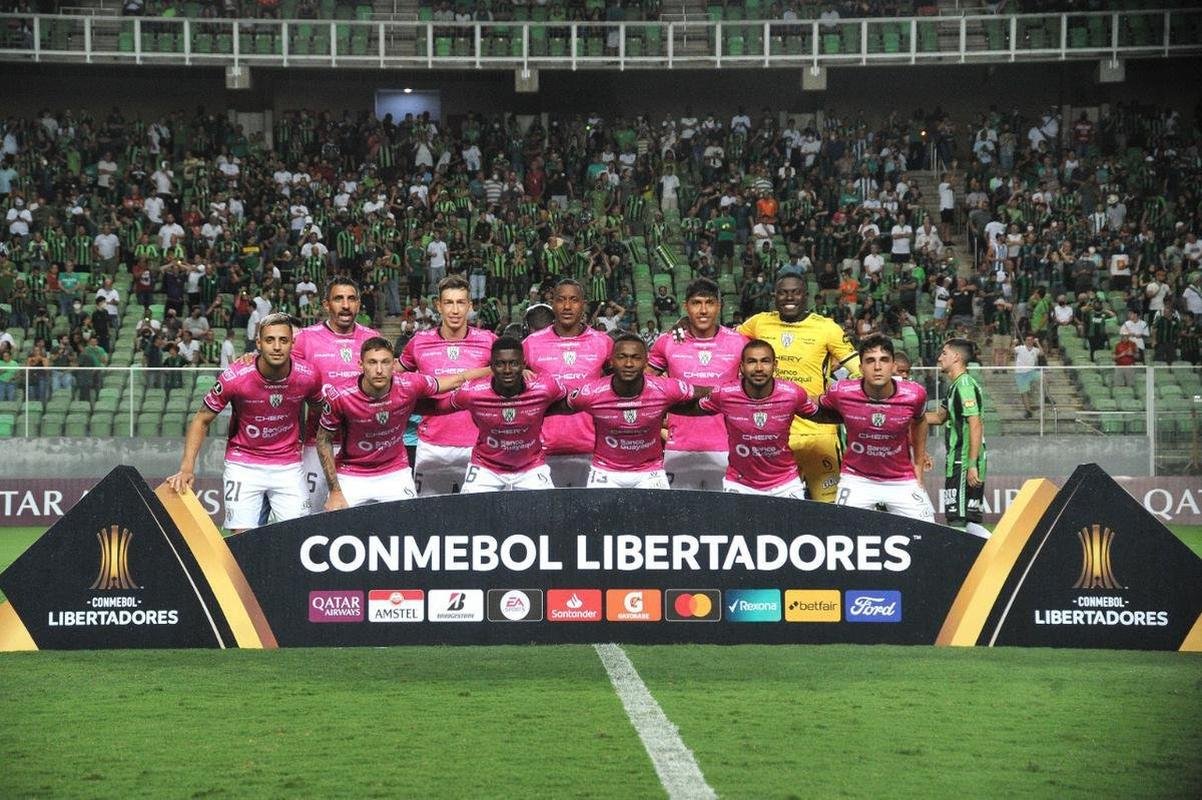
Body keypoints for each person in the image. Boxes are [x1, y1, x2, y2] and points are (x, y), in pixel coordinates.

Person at [166, 313, 323, 533]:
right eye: (269, 340)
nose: (277, 347)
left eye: (283, 340)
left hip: (289, 466)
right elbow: (201, 419)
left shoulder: (309, 376)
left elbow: (322, 412)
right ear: (258, 343)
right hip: (243, 465)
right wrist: (187, 467)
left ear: (292, 343)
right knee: (242, 543)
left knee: (299, 538)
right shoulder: (235, 376)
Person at [737, 273, 860, 501]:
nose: (789, 297)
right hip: (775, 434)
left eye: (795, 292)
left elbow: (859, 370)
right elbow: (725, 343)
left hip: (818, 432)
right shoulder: (759, 322)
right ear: (775, 296)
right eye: (783, 292)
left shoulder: (827, 328)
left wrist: (837, 398)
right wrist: (685, 326)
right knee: (775, 508)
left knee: (830, 507)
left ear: (806, 296)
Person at [317, 337, 469, 510]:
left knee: (411, 525)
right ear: (361, 365)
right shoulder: (340, 395)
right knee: (333, 524)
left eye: (385, 362)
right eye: (372, 362)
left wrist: (491, 370)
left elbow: (457, 380)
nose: (379, 370)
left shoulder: (409, 384)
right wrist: (335, 491)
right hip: (351, 472)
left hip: (394, 470)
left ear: (394, 364)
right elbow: (323, 440)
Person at [814, 335, 934, 520]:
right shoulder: (840, 392)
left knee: (929, 533)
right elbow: (815, 406)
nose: (877, 367)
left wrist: (918, 465)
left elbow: (920, 421)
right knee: (842, 533)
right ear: (861, 368)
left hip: (901, 480)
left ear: (893, 366)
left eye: (884, 360)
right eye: (870, 361)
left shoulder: (915, 394)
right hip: (856, 479)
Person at [565, 333, 705, 489]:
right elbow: (553, 405)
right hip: (604, 472)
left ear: (646, 362)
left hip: (650, 472)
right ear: (611, 360)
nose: (629, 363)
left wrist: (734, 394)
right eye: (622, 357)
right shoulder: (591, 393)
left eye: (636, 358)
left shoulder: (664, 388)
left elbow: (708, 393)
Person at [289, 277, 381, 511]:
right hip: (317, 444)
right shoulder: (305, 339)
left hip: (363, 447)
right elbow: (282, 376)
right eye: (338, 298)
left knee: (360, 521)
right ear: (326, 304)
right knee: (310, 516)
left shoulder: (372, 338)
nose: (346, 305)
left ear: (359, 304)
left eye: (351, 299)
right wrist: (250, 359)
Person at [400, 275, 497, 495]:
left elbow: (510, 370)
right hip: (432, 446)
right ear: (439, 306)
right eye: (449, 303)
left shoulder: (489, 341)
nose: (455, 310)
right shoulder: (419, 342)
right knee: (427, 520)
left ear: (469, 305)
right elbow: (392, 373)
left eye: (461, 302)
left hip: (478, 445)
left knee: (477, 519)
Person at [648, 277, 746, 490]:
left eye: (709, 303)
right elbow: (645, 385)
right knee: (679, 519)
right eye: (696, 303)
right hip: (679, 449)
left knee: (725, 520)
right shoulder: (667, 342)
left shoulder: (739, 343)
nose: (703, 310)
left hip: (727, 448)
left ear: (719, 306)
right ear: (686, 306)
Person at [694, 339, 820, 498]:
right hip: (739, 483)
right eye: (752, 362)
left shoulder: (793, 393)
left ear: (775, 365)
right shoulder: (725, 394)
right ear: (742, 367)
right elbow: (694, 408)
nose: (759, 368)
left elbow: (819, 414)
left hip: (785, 482)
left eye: (765, 361)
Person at [522, 278, 615, 487]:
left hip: (594, 451)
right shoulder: (530, 345)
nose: (566, 306)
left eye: (573, 300)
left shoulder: (603, 343)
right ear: (552, 303)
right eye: (561, 300)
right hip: (541, 453)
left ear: (583, 304)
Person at [446, 337, 568, 493]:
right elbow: (439, 407)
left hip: (531, 467)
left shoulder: (545, 386)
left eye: (514, 363)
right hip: (486, 468)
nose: (508, 370)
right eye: (500, 364)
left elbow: (570, 402)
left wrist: (542, 411)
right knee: (472, 513)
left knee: (545, 514)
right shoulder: (471, 392)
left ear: (524, 364)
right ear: (491, 366)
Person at [931, 338, 990, 539]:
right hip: (957, 460)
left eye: (944, 353)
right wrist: (905, 414)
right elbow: (939, 417)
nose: (939, 358)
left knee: (958, 518)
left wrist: (971, 464)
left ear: (956, 357)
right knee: (964, 518)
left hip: (964, 461)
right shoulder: (955, 386)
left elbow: (975, 423)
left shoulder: (964, 385)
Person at [1013, 333, 1042, 419]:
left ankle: (1046, 396)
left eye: (1031, 340)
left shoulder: (1035, 349)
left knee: (1043, 377)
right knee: (1024, 393)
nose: (1029, 342)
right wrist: (1014, 343)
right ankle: (1028, 411)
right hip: (1020, 373)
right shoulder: (1020, 348)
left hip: (1031, 372)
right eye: (1028, 340)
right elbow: (1012, 351)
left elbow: (1042, 353)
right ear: (1025, 341)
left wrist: (1037, 343)